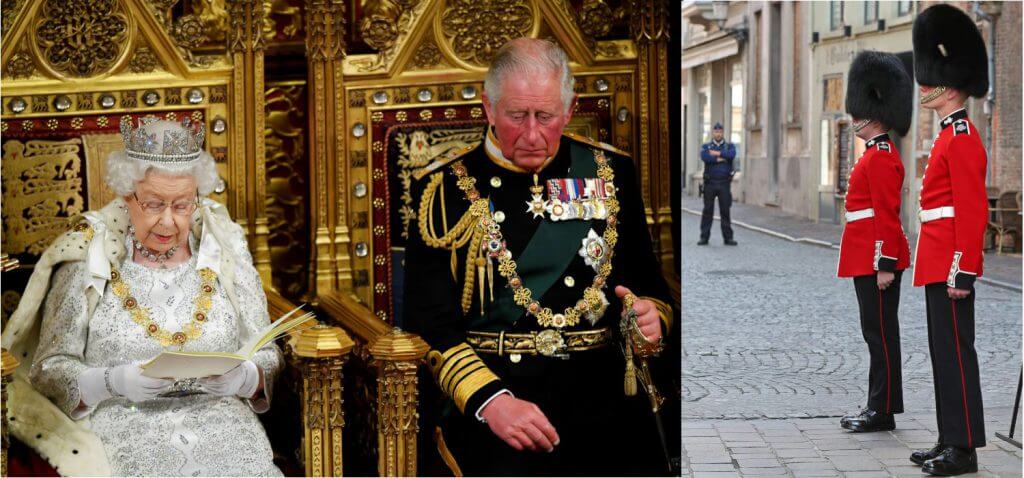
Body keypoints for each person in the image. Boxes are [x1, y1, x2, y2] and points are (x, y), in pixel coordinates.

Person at [404, 38, 675, 476]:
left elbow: (650, 287)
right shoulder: (442, 191)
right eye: (516, 116)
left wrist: (651, 318)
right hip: (499, 397)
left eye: (545, 116)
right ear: (489, 109)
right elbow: (428, 321)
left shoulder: (610, 172)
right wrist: (490, 402)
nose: (531, 134)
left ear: (568, 111)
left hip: (605, 397)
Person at [1, 118, 283, 476]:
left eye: (182, 205)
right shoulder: (87, 255)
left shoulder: (225, 249)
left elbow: (267, 351)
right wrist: (111, 382)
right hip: (126, 425)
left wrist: (245, 377)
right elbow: (49, 367)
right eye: (153, 204)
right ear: (126, 195)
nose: (168, 222)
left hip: (225, 423)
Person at [909, 5, 990, 475]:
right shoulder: (945, 136)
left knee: (958, 354)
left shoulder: (962, 138)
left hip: (951, 263)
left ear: (950, 83)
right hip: (937, 259)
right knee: (943, 353)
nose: (924, 85)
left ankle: (964, 449)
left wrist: (963, 268)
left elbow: (972, 211)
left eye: (931, 77)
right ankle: (948, 436)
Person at [836, 51, 912, 433]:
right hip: (865, 255)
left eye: (858, 112)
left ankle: (880, 410)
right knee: (877, 333)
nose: (854, 120)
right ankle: (881, 405)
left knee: (880, 334)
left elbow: (886, 215)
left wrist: (884, 264)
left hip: (875, 259)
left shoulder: (881, 156)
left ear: (873, 113)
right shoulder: (874, 154)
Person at [698, 123, 737, 246]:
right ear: (713, 133)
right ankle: (704, 237)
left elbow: (731, 155)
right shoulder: (706, 146)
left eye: (720, 132)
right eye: (716, 132)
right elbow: (705, 157)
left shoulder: (729, 146)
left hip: (724, 184)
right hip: (710, 183)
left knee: (725, 211)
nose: (718, 134)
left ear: (722, 133)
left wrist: (716, 153)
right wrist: (719, 158)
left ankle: (728, 238)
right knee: (707, 211)